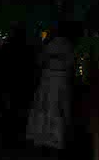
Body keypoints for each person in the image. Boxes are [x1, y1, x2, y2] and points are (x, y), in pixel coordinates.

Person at [26, 21, 79, 151]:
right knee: (54, 107)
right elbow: (70, 64)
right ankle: (51, 139)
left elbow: (41, 60)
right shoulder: (67, 45)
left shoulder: (53, 45)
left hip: (52, 78)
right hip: (56, 79)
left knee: (48, 107)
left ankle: (45, 138)